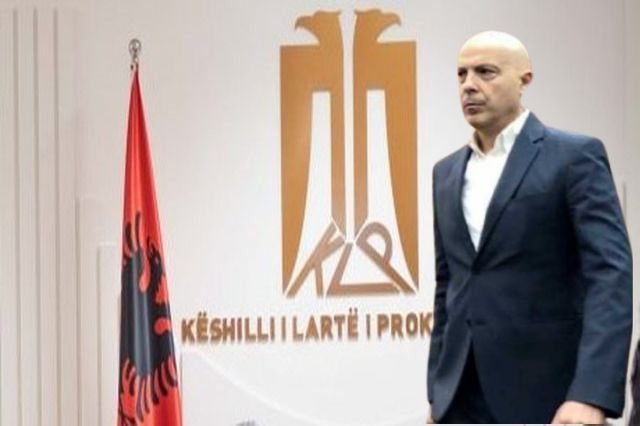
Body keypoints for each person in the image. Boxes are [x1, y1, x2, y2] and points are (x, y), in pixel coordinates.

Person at [427, 31, 632, 424]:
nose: (469, 85)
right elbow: (447, 286)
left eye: (485, 72)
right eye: (461, 74)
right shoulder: (445, 174)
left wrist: (591, 393)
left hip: (551, 398)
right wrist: (438, 391)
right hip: (460, 399)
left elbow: (610, 275)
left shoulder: (574, 157)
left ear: (524, 79)